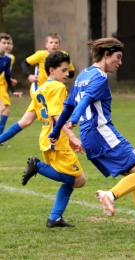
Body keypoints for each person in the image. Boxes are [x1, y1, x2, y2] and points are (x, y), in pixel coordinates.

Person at [48, 38, 135, 234]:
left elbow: (67, 106)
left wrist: (55, 131)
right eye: (118, 57)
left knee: (134, 174)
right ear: (106, 54)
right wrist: (75, 119)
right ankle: (110, 195)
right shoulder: (100, 76)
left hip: (89, 136)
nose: (120, 62)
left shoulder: (82, 76)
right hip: (101, 132)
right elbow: (85, 100)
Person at [21, 51, 86, 228]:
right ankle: (38, 166)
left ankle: (55, 218)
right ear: (51, 70)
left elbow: (37, 116)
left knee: (69, 179)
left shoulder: (40, 89)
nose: (67, 74)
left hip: (46, 137)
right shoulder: (58, 87)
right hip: (58, 139)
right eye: (64, 70)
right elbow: (57, 114)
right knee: (79, 180)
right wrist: (71, 136)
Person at [0, 32, 75, 144]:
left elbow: (72, 72)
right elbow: (25, 63)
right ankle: (58, 143)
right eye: (51, 42)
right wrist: (29, 76)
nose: (53, 45)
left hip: (52, 90)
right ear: (46, 44)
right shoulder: (41, 55)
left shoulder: (63, 56)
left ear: (59, 44)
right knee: (55, 117)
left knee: (25, 121)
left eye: (56, 42)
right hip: (41, 91)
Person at [0, 35, 19, 134]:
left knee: (3, 108)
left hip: (3, 86)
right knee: (3, 108)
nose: (7, 45)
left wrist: (13, 91)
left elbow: (6, 76)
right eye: (4, 43)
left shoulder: (8, 58)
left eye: (9, 43)